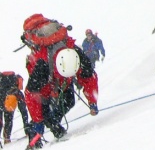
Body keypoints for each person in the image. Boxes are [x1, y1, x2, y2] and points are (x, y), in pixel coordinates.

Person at [20, 14, 99, 148]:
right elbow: (32, 95)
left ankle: (53, 125)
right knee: (43, 107)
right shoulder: (42, 65)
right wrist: (37, 122)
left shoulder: (75, 52)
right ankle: (36, 138)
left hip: (61, 81)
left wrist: (92, 101)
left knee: (69, 100)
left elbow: (88, 77)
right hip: (47, 81)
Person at [0, 71, 30, 145]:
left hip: (1, 99)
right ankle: (7, 138)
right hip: (9, 104)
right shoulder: (17, 92)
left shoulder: (2, 85)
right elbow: (24, 113)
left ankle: (6, 138)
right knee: (9, 120)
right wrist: (27, 128)